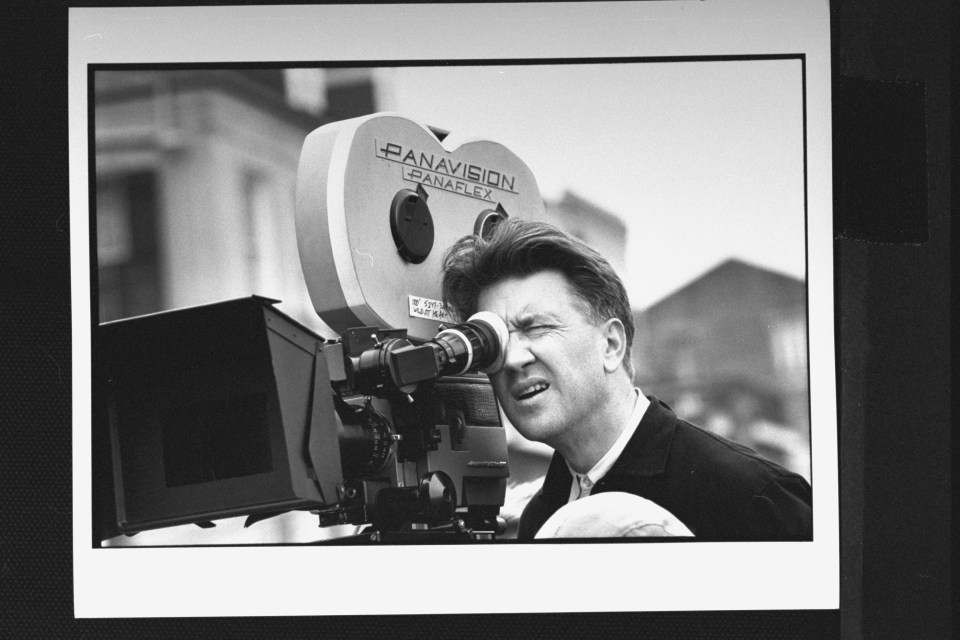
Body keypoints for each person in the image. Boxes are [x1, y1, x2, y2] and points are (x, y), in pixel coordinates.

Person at [440, 219, 812, 541]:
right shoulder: (541, 516)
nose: (512, 359)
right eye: (497, 341)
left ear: (611, 344)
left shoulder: (752, 497)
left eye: (535, 327)